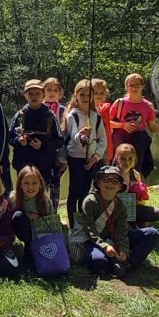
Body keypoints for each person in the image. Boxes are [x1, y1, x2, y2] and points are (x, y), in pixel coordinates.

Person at [71, 165, 159, 278]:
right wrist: (105, 246)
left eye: (114, 181)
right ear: (98, 183)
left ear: (120, 186)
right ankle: (114, 262)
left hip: (114, 238)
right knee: (98, 261)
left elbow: (121, 231)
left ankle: (127, 263)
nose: (109, 184)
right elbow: (90, 230)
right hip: (95, 241)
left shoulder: (121, 205)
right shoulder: (90, 202)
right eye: (105, 180)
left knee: (152, 234)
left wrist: (123, 250)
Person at [108, 73, 159, 179]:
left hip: (139, 143)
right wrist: (123, 125)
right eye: (131, 85)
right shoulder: (119, 103)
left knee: (138, 169)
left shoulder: (148, 106)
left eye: (137, 85)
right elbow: (107, 122)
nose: (134, 88)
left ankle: (136, 186)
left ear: (142, 86)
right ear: (126, 87)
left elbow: (153, 128)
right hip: (121, 140)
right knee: (119, 166)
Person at [62, 79, 107, 227]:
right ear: (76, 95)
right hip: (75, 158)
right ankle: (72, 224)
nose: (85, 98)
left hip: (91, 160)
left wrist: (95, 157)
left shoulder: (96, 116)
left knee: (86, 191)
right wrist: (82, 135)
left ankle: (83, 222)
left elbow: (103, 140)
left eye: (89, 95)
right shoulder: (72, 116)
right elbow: (74, 136)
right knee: (74, 190)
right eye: (82, 95)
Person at [8, 79, 65, 192]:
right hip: (23, 165)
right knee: (22, 196)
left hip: (44, 167)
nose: (34, 97)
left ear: (43, 95)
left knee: (41, 197)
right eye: (30, 94)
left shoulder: (50, 116)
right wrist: (18, 141)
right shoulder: (19, 116)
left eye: (37, 93)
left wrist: (43, 146)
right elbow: (9, 138)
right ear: (25, 96)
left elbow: (59, 141)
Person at [10, 165, 64, 250]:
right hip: (24, 231)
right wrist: (27, 216)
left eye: (34, 183)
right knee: (18, 215)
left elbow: (50, 225)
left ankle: (38, 249)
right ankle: (26, 247)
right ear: (20, 184)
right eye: (26, 183)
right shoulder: (13, 198)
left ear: (40, 184)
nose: (30, 187)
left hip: (41, 234)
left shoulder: (46, 201)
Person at [112, 143, 159, 225]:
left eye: (130, 159)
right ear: (117, 159)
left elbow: (141, 201)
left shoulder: (136, 175)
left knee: (157, 213)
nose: (127, 162)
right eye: (123, 159)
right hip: (116, 210)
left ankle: (136, 223)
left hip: (132, 208)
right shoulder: (112, 174)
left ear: (135, 159)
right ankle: (128, 226)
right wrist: (131, 200)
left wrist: (139, 200)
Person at [42, 76, 66, 208]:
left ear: (60, 93)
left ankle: (54, 213)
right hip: (42, 153)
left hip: (58, 154)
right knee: (42, 185)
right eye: (49, 90)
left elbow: (66, 133)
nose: (52, 93)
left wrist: (63, 158)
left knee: (55, 185)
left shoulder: (63, 110)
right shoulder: (38, 108)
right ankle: (42, 211)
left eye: (55, 90)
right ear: (43, 91)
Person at [92, 78, 115, 163]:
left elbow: (107, 132)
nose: (99, 95)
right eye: (96, 93)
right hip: (92, 150)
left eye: (102, 93)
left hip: (105, 149)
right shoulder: (87, 110)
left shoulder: (104, 109)